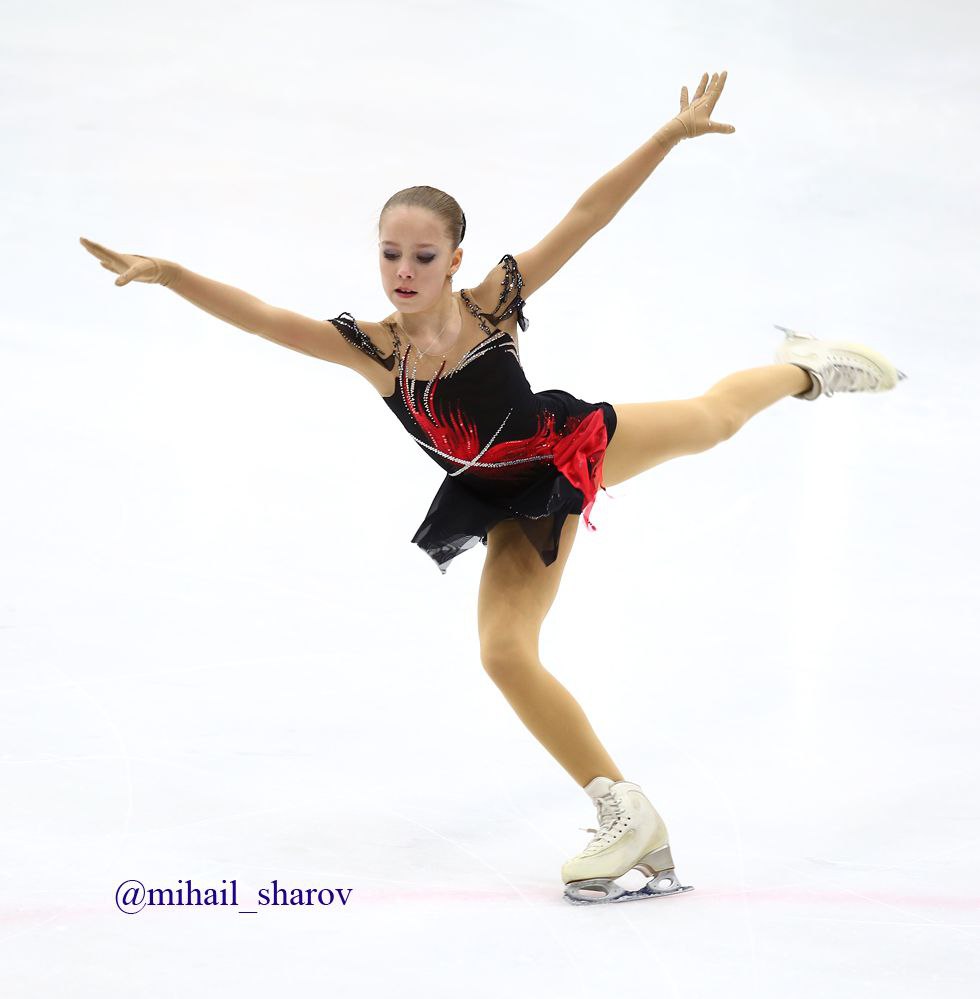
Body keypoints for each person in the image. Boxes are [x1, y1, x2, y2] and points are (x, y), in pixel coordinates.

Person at [79, 70, 906, 906]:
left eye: (423, 256)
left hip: (565, 451)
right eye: (390, 254)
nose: (404, 271)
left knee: (713, 420)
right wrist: (171, 273)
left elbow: (586, 216)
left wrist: (666, 135)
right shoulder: (373, 349)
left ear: (455, 260)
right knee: (505, 652)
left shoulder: (492, 305)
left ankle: (805, 368)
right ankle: (626, 811)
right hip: (495, 498)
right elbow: (263, 316)